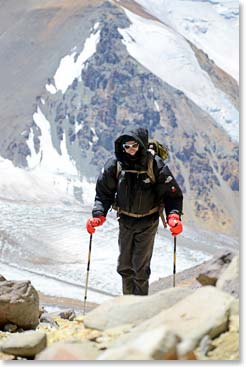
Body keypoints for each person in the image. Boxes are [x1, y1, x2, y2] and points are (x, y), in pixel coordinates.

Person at [86, 126, 183, 296]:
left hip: (148, 221)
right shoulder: (115, 165)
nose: (130, 150)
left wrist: (174, 216)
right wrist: (98, 215)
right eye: (126, 146)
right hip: (125, 220)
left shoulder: (155, 164)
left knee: (140, 267)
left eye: (134, 146)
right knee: (125, 265)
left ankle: (139, 307)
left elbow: (172, 194)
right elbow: (103, 193)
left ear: (141, 145)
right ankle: (128, 302)